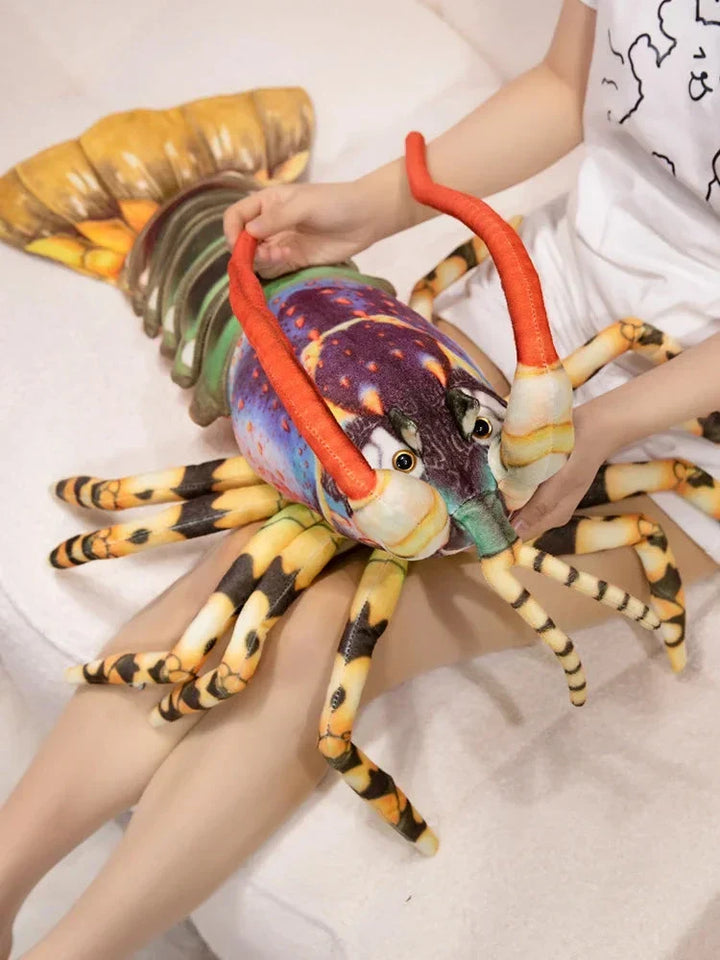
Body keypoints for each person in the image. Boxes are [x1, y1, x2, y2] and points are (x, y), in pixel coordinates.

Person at [1, 1, 717, 956]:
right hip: (526, 316)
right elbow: (563, 86)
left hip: (682, 432)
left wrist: (605, 425)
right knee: (250, 572)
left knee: (329, 634)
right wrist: (376, 204)